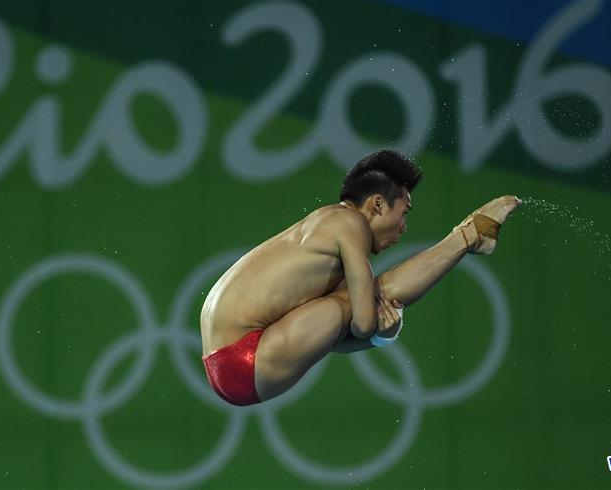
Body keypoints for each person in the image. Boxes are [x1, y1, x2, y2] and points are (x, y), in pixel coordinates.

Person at [200, 149, 521, 406]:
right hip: (246, 359)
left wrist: (383, 334)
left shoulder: (324, 228)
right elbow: (364, 323)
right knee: (374, 294)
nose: (403, 227)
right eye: (404, 213)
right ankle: (470, 234)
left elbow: (337, 336)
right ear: (378, 204)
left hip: (228, 362)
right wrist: (380, 331)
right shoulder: (349, 224)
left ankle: (471, 234)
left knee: (356, 300)